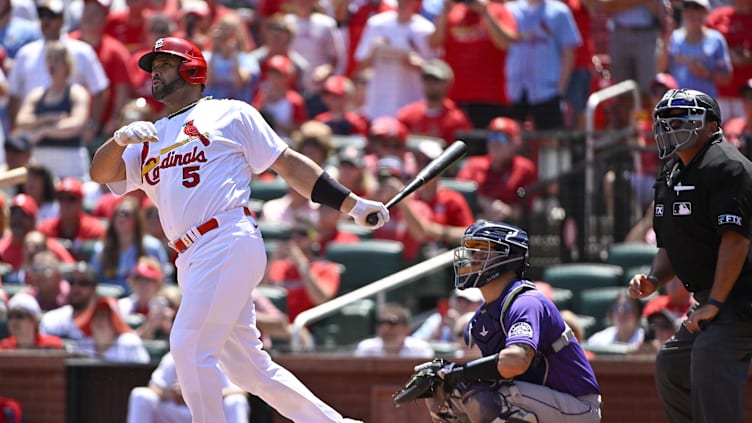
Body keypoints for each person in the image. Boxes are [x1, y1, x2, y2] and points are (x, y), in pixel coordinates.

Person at [89, 36, 388, 423]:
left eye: (165, 64)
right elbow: (101, 173)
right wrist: (118, 140)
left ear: (192, 69)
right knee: (249, 370)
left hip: (226, 236)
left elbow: (289, 164)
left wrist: (352, 204)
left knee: (188, 346)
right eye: (153, 67)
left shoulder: (230, 113)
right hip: (191, 257)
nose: (155, 73)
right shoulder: (149, 136)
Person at [628, 88, 752, 423]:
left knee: (710, 358)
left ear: (712, 125)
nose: (670, 126)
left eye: (682, 119)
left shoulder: (727, 165)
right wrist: (654, 278)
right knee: (673, 366)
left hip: (741, 297)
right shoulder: (670, 174)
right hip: (717, 297)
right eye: (665, 120)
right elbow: (669, 244)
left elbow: (736, 241)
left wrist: (714, 303)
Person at [418, 220, 601, 422]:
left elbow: (516, 361)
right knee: (447, 395)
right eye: (473, 252)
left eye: (482, 251)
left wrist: (461, 372)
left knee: (489, 396)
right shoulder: (483, 316)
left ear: (507, 256)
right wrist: (446, 375)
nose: (473, 259)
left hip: (577, 406)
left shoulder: (526, 301)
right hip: (540, 400)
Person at [127, 351, 250, 423]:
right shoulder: (173, 356)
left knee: (236, 401)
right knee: (141, 395)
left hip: (208, 415)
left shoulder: (217, 357)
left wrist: (204, 394)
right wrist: (176, 393)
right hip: (177, 413)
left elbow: (241, 391)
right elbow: (154, 387)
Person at [70, 295, 151, 363]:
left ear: (114, 321)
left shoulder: (129, 343)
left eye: (104, 315)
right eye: (96, 316)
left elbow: (143, 373)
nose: (99, 320)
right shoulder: (83, 345)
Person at [38, 260, 99, 341]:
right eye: (72, 282)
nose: (76, 288)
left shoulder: (102, 325)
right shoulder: (52, 319)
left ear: (94, 289)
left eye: (83, 283)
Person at [353, 302, 434, 357]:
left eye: (392, 323)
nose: (386, 328)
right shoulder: (367, 348)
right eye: (381, 322)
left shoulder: (420, 349)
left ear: (406, 328)